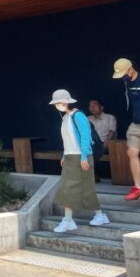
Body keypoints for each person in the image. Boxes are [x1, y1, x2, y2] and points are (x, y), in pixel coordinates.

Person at [49, 89, 108, 232]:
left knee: (84, 189)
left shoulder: (78, 116)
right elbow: (68, 140)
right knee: (68, 188)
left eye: (58, 103)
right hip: (70, 157)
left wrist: (83, 157)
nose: (57, 105)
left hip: (82, 157)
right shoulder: (65, 118)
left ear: (65, 102)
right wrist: (64, 155)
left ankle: (97, 215)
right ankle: (69, 220)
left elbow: (86, 137)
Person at [112, 58, 140, 200]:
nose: (123, 77)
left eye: (124, 73)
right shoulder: (127, 82)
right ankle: (139, 188)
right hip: (136, 124)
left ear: (131, 68)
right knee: (131, 152)